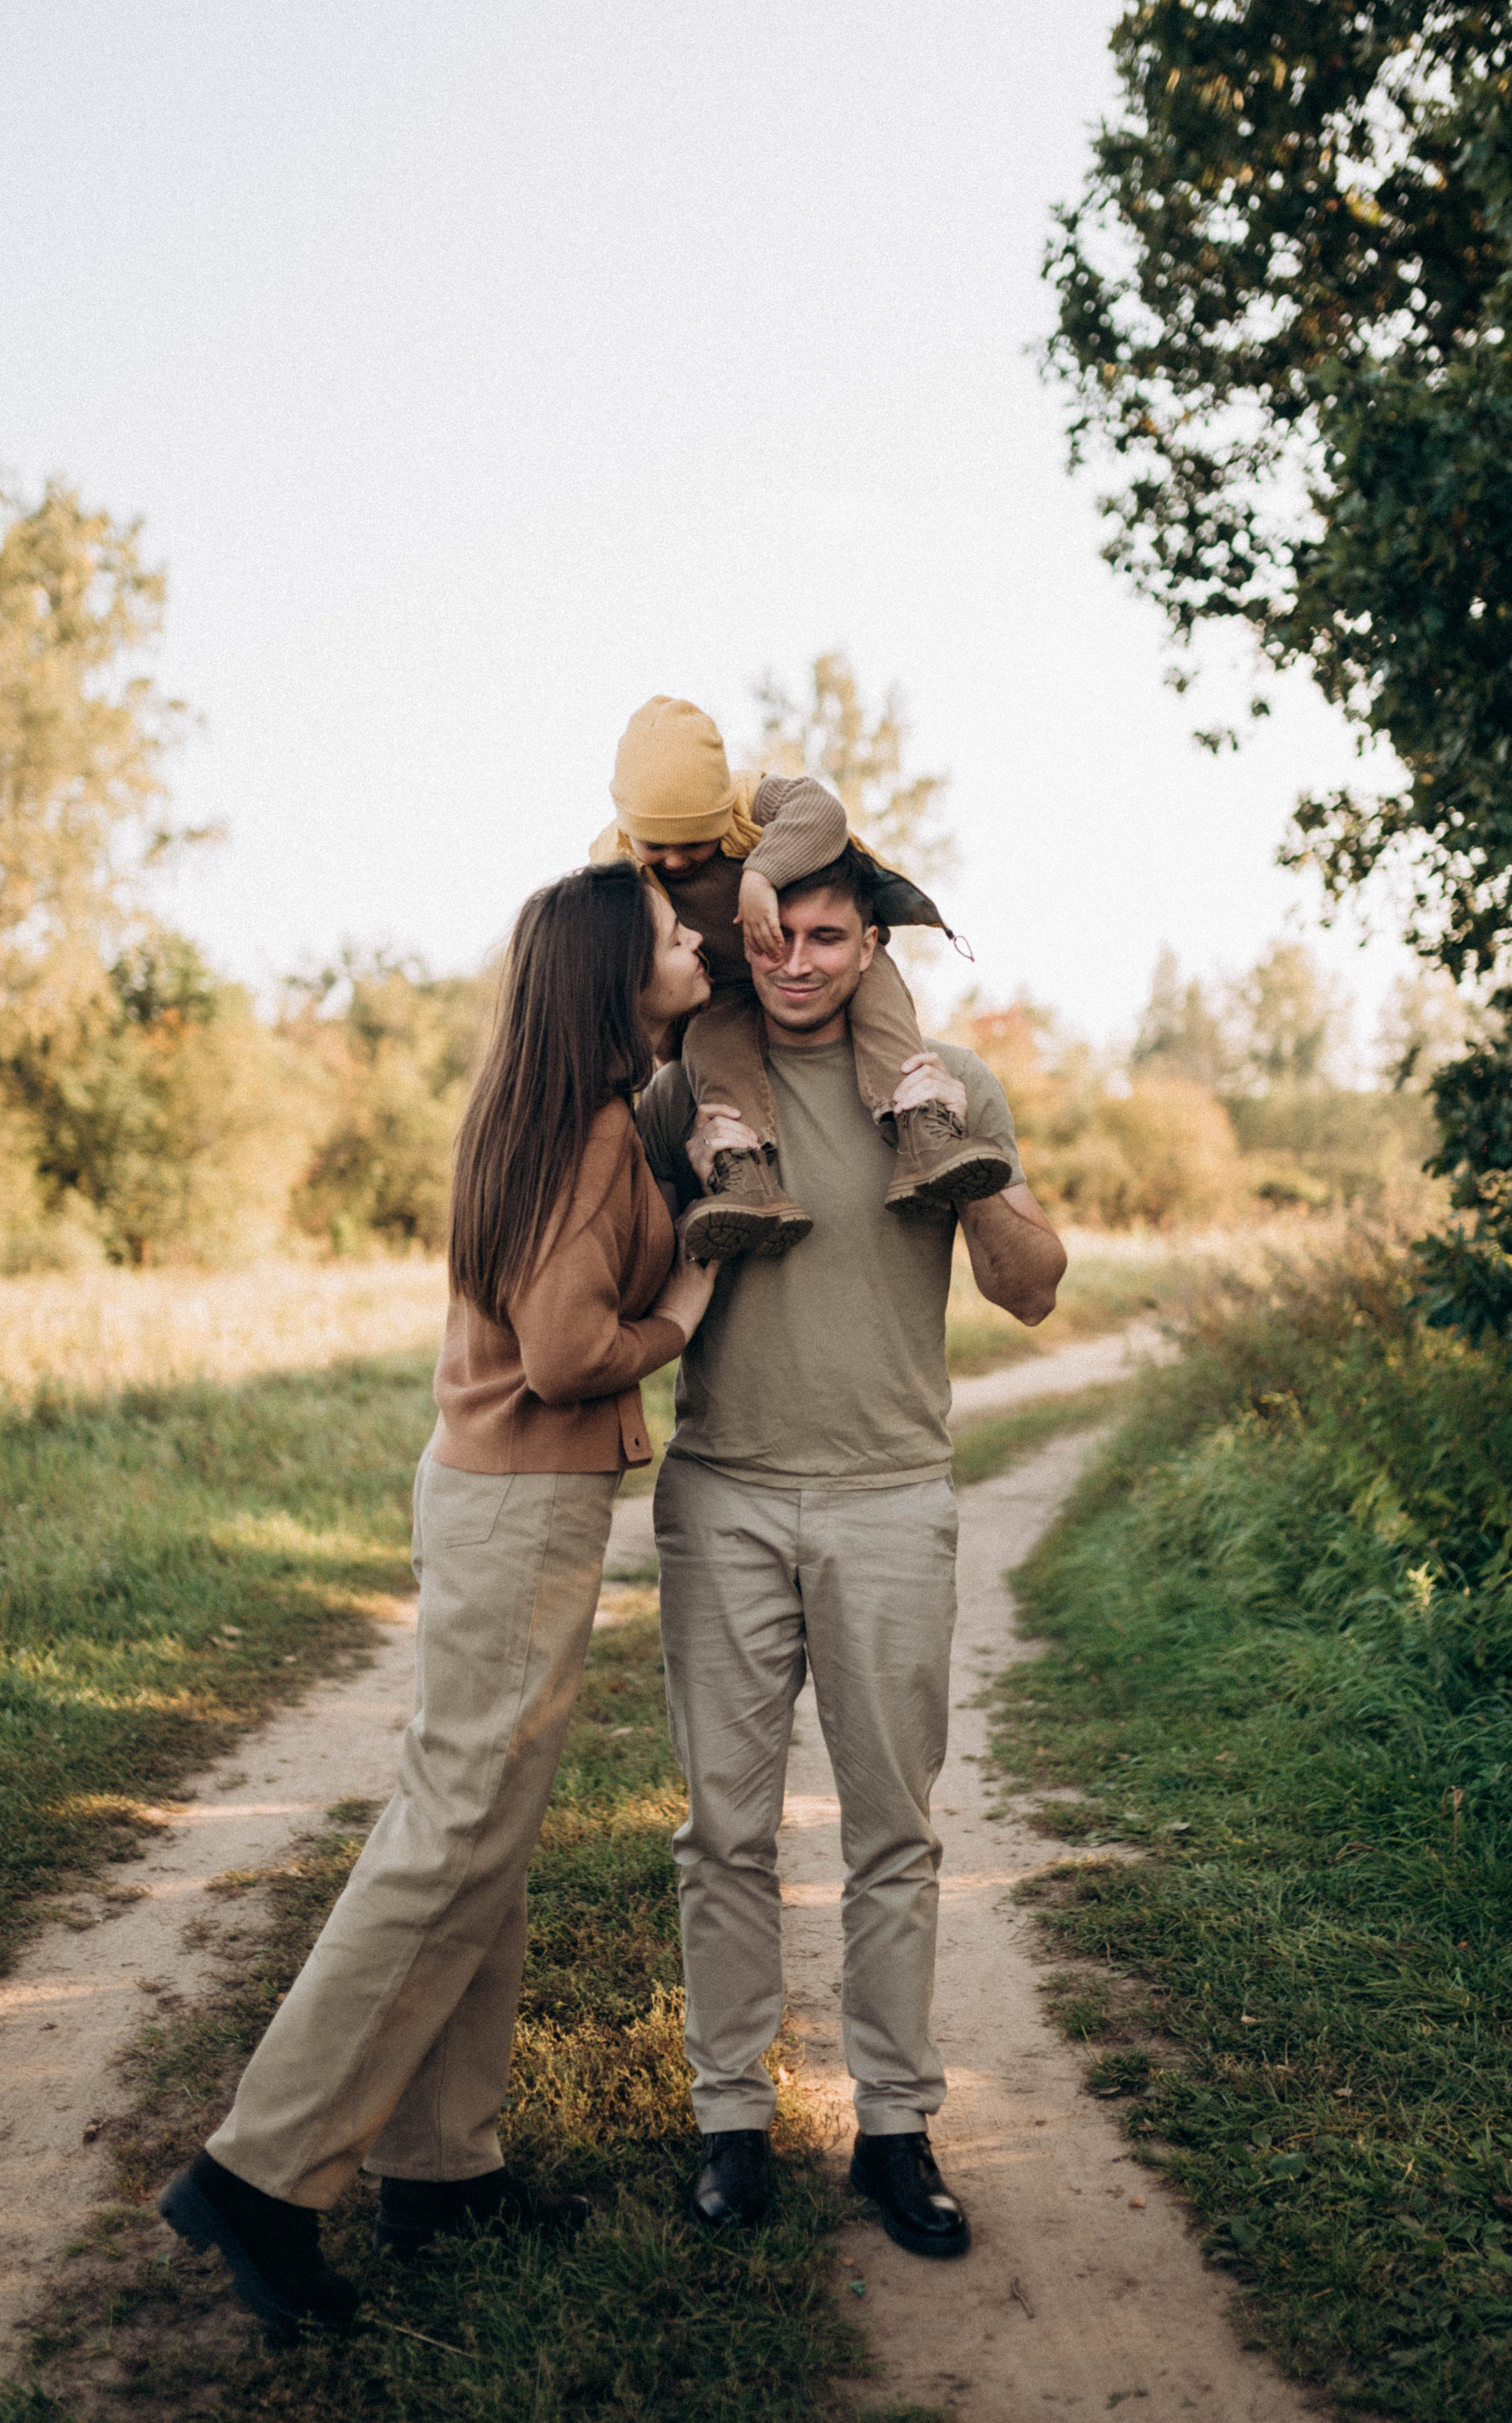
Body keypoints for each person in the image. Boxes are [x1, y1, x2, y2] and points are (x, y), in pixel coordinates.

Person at [158, 861, 719, 2334]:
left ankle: (439, 2166)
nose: (696, 939)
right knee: (452, 1836)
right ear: (616, 972)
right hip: (519, 1505)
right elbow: (565, 1353)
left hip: (493, 1498)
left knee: (483, 1837)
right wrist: (686, 1305)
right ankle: (257, 2173)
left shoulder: (546, 1105)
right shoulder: (588, 1128)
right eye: (674, 931)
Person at [636, 843, 1067, 2259]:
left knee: (894, 1831)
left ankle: (895, 2131)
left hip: (889, 1498)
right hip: (725, 1495)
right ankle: (730, 2124)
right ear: (744, 934)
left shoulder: (946, 1082)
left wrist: (958, 1159)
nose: (798, 962)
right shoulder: (688, 1089)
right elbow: (618, 1256)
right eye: (777, 936)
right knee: (724, 1829)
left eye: (829, 937)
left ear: (872, 945)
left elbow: (1031, 1290)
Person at [591, 696, 1013, 1261]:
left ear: (721, 807)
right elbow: (616, 951)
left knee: (882, 1010)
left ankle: (925, 1130)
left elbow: (821, 812)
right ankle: (743, 1174)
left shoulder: (750, 799)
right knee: (714, 1049)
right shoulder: (613, 864)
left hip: (833, 963)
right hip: (725, 983)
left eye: (693, 842)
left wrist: (760, 875)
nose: (674, 860)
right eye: (655, 846)